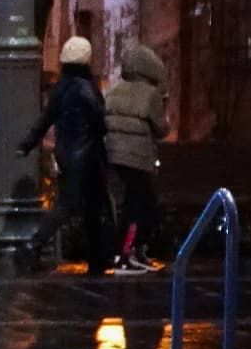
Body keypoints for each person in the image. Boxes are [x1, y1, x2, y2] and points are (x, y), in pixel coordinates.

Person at [17, 36, 115, 274]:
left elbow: (45, 119)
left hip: (66, 152)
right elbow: (100, 121)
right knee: (85, 207)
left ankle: (94, 259)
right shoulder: (87, 88)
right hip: (88, 156)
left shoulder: (60, 88)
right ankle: (35, 246)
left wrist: (27, 144)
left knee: (74, 204)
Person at [102, 43, 169, 272]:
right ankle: (127, 253)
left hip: (114, 156)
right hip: (138, 158)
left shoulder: (113, 90)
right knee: (142, 205)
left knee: (133, 203)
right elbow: (161, 129)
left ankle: (129, 251)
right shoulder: (151, 94)